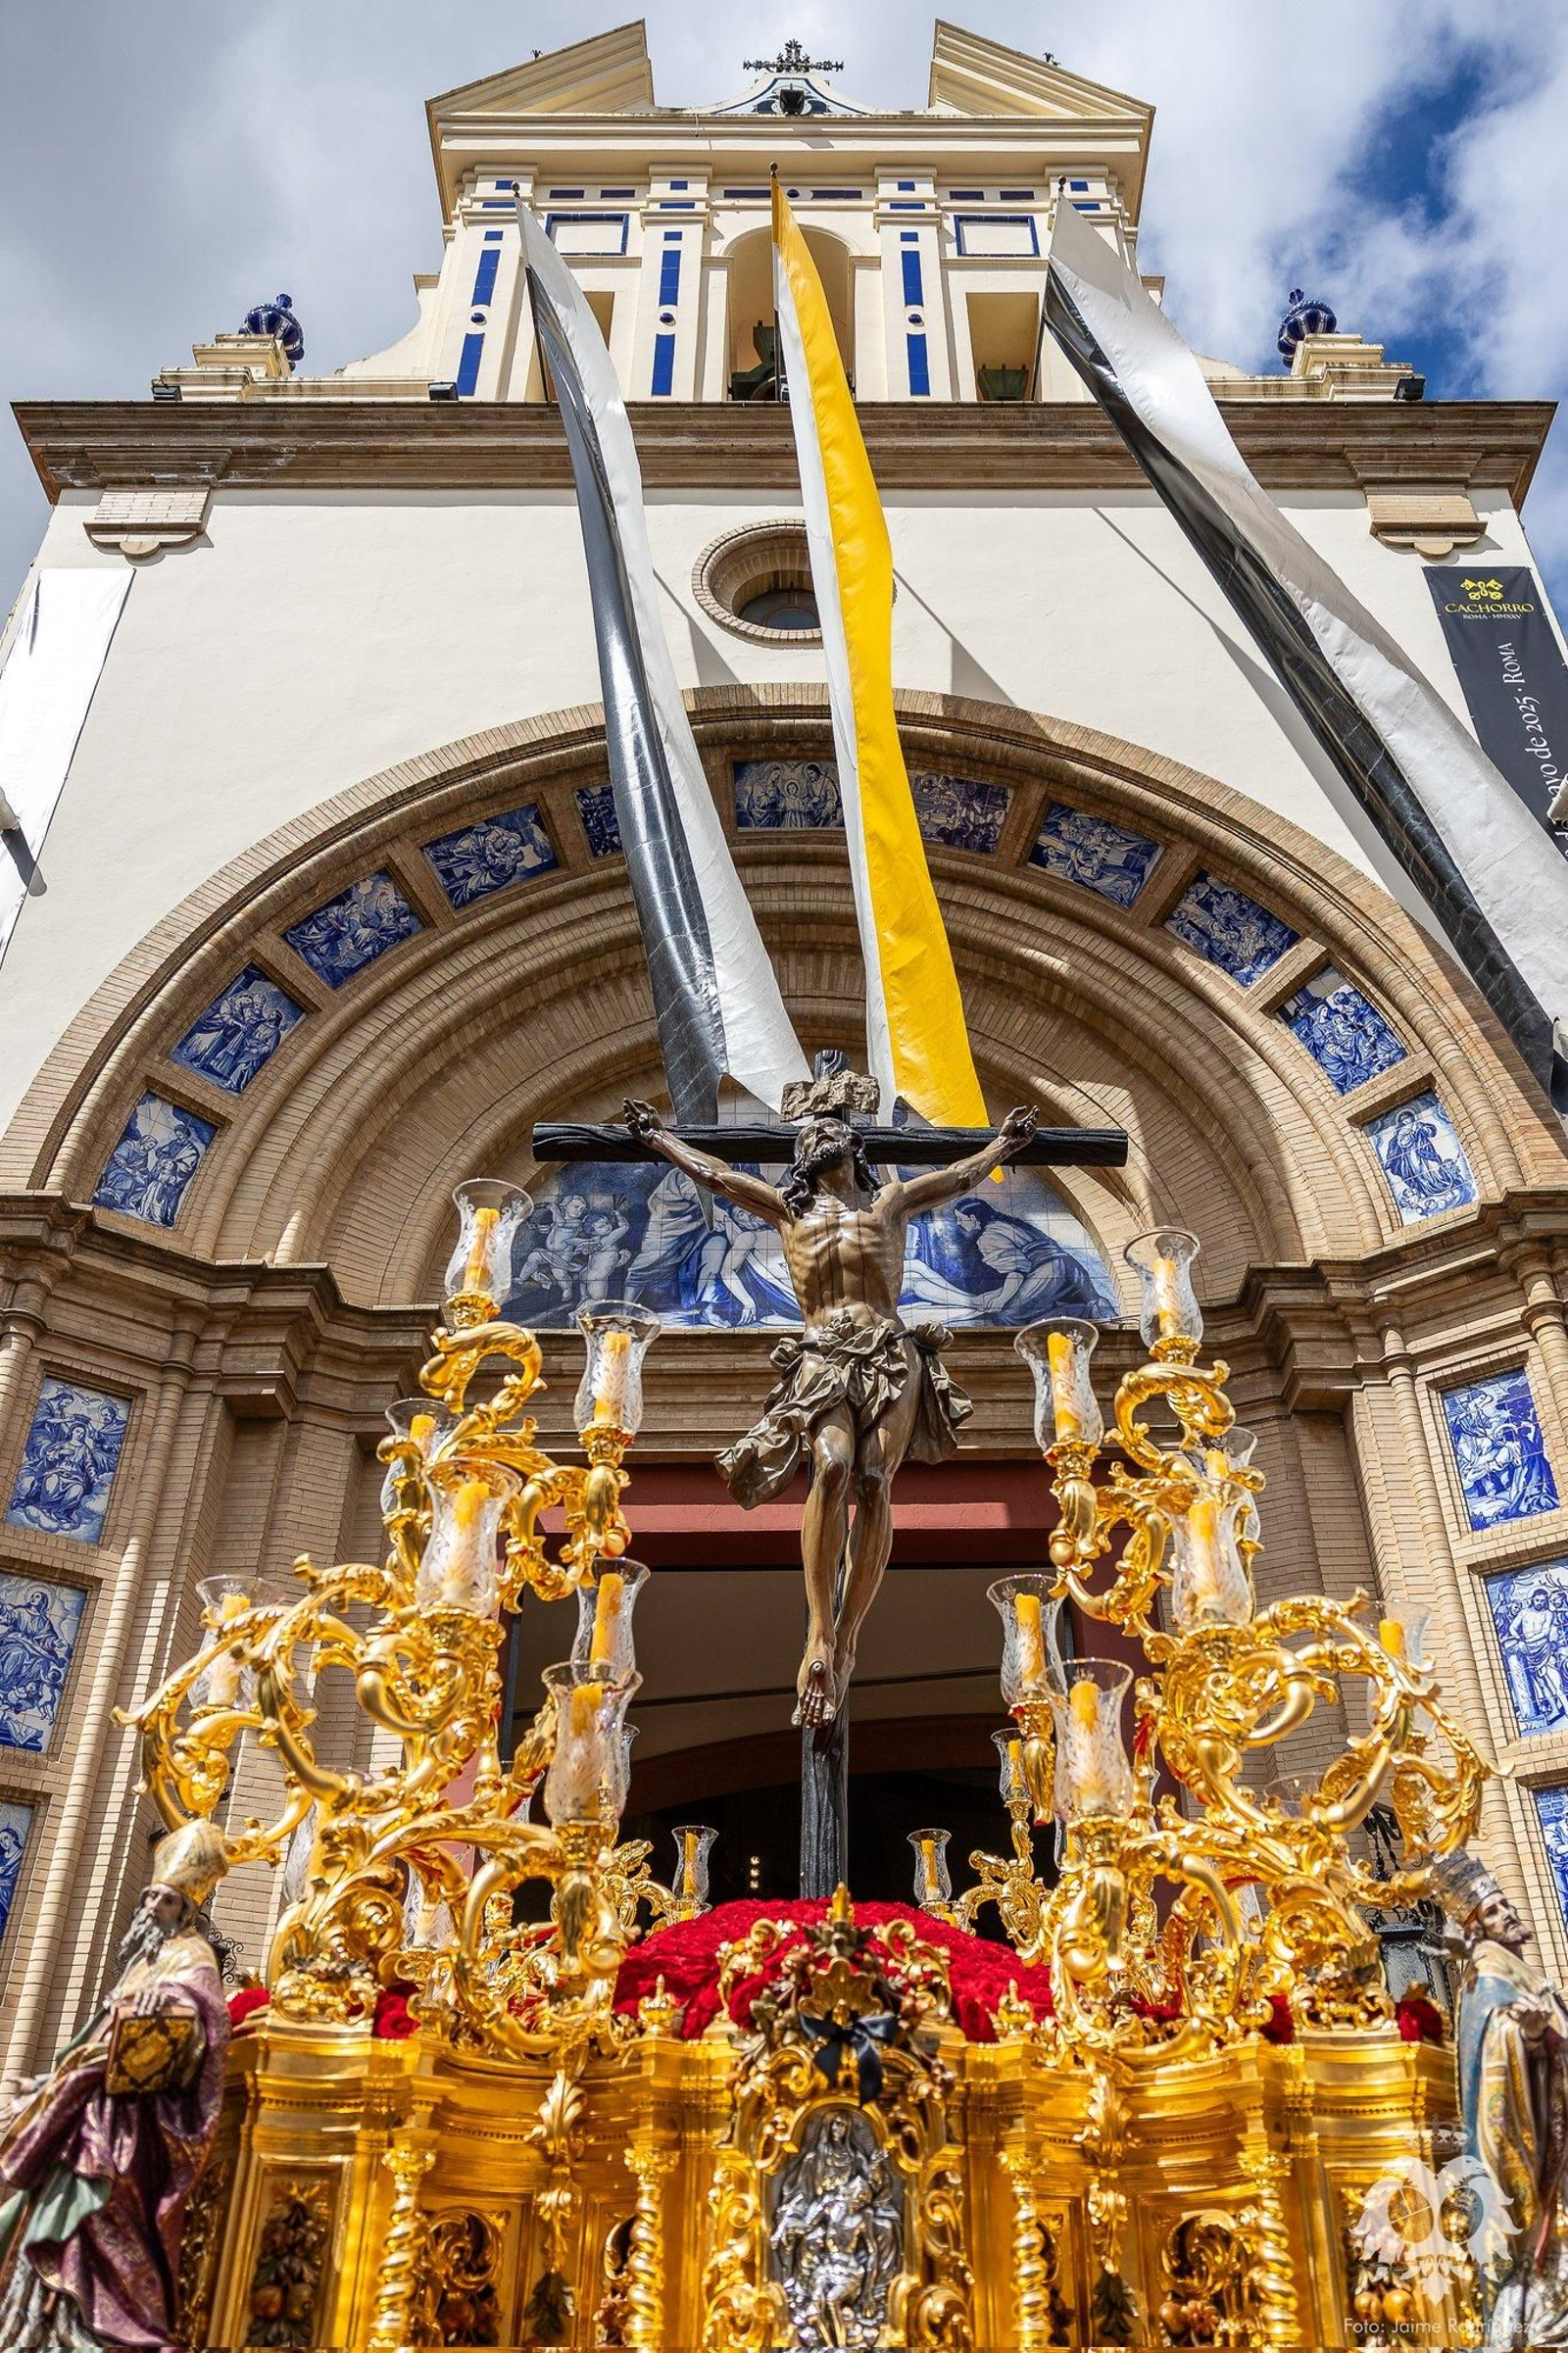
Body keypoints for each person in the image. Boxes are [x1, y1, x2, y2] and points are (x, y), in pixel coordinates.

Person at [622, 1093, 1038, 1724]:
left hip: (892, 1350)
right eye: (808, 1132)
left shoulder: (888, 1204)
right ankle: (820, 1632)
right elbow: (716, 1175)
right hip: (821, 1351)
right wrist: (659, 1140)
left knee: (874, 1479)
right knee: (834, 1466)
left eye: (828, 1129)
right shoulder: (789, 1213)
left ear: (853, 1147)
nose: (817, 1135)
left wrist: (1004, 1146)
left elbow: (956, 1178)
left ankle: (847, 1640)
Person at [0, 1820, 232, 2352]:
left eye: (165, 1900)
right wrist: (50, 2080)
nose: (151, 1907)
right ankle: (49, 2330)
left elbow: (202, 2018)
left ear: (186, 1910)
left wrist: (174, 2004)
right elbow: (95, 2039)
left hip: (129, 2126)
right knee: (52, 2218)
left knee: (103, 2214)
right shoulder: (141, 1961)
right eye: (149, 1897)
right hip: (85, 2114)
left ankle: (107, 2332)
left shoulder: (191, 1957)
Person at [1437, 1849, 1568, 2346]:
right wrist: (1530, 2035)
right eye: (1492, 1912)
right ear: (1474, 1928)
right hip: (1534, 2145)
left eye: (1505, 1905)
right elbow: (1496, 2047)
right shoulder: (1486, 1979)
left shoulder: (1518, 1971)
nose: (1507, 1913)